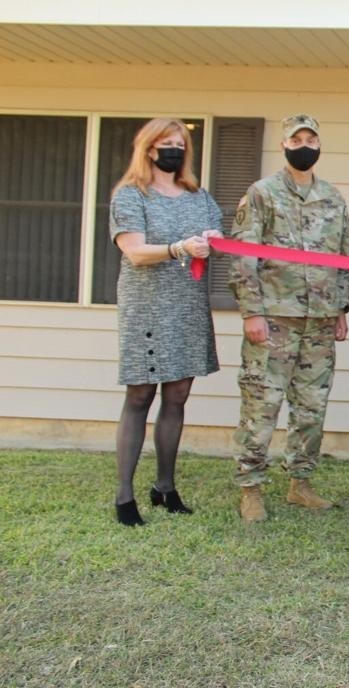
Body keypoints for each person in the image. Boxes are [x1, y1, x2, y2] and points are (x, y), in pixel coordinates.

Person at [229, 114, 349, 522]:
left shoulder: (333, 198)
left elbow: (344, 259)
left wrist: (340, 308)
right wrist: (252, 312)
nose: (304, 145)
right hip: (274, 319)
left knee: (311, 407)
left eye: (311, 138)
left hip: (319, 320)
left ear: (320, 145)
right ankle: (251, 488)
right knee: (262, 405)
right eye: (296, 139)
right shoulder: (262, 194)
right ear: (283, 145)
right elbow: (244, 257)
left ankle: (300, 483)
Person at [109, 117, 222, 526]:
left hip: (188, 306)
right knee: (140, 397)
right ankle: (124, 495)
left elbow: (215, 241)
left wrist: (213, 240)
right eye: (166, 143)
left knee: (177, 397)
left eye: (180, 143)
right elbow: (135, 252)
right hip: (147, 307)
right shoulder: (130, 196)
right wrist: (179, 247)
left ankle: (165, 487)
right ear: (149, 148)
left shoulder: (199, 197)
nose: (173, 149)